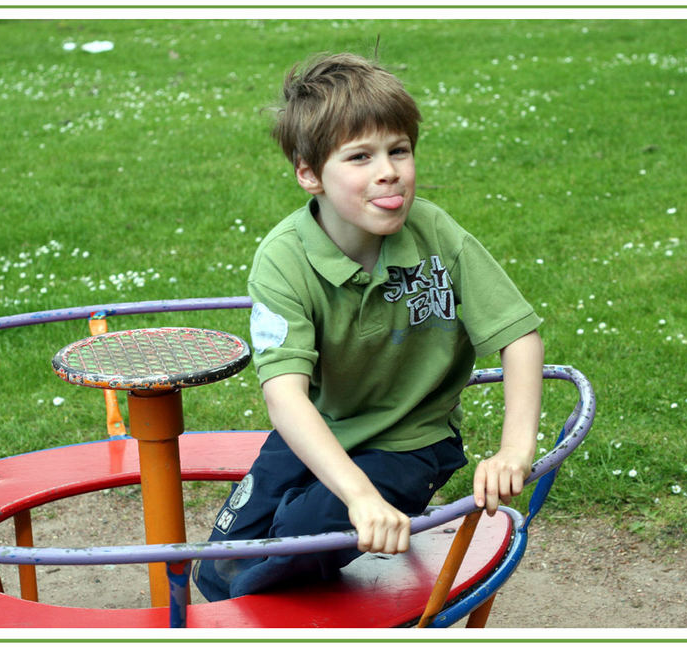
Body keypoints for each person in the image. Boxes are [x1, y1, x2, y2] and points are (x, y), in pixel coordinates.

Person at [193, 52, 544, 602]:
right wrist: (356, 495)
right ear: (309, 174)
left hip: (411, 443)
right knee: (218, 572)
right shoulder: (284, 258)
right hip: (322, 430)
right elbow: (285, 397)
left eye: (398, 150)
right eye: (360, 156)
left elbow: (517, 336)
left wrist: (513, 451)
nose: (389, 171)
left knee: (279, 565)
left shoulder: (434, 233)